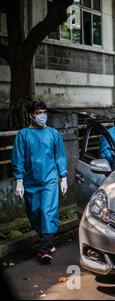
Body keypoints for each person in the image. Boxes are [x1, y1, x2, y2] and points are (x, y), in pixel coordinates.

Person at [12, 100, 68, 264]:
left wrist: (63, 176)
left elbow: (60, 156)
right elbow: (19, 158)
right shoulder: (23, 135)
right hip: (30, 181)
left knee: (47, 211)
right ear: (30, 115)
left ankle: (44, 249)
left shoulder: (53, 134)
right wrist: (19, 180)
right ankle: (47, 240)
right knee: (35, 212)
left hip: (49, 179)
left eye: (44, 112)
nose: (42, 116)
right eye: (38, 113)